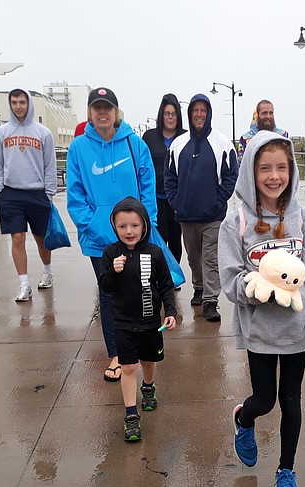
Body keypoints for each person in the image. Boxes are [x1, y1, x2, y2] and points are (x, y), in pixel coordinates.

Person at [219, 130, 305, 487]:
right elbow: (229, 280)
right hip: (259, 331)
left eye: (282, 167)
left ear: (291, 170)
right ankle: (244, 417)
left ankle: (286, 472)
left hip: (296, 330)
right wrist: (256, 285)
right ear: (251, 172)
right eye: (265, 168)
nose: (274, 176)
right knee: (265, 400)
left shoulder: (304, 218)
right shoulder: (236, 222)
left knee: (292, 402)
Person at [66, 87, 157, 384]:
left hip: (136, 234)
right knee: (110, 294)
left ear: (116, 112)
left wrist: (148, 226)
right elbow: (75, 195)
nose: (102, 113)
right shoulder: (79, 148)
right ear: (90, 113)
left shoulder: (135, 144)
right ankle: (117, 354)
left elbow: (148, 188)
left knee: (142, 288)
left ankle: (143, 350)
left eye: (107, 107)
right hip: (100, 239)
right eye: (96, 108)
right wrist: (92, 225)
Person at [99, 197, 177, 442]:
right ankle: (131, 415)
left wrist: (171, 311)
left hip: (150, 321)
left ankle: (149, 387)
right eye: (122, 226)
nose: (128, 231)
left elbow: (166, 285)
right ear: (114, 227)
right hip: (122, 321)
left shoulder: (154, 252)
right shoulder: (111, 253)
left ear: (144, 226)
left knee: (148, 362)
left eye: (134, 225)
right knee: (128, 367)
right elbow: (106, 287)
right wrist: (114, 270)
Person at [166, 93, 238, 322]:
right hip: (186, 215)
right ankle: (198, 287)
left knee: (210, 258)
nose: (199, 115)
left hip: (213, 216)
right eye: (195, 111)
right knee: (194, 258)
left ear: (208, 114)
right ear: (190, 115)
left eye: (203, 111)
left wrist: (219, 201)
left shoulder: (222, 143)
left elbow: (230, 176)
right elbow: (169, 178)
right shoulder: (178, 144)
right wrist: (176, 202)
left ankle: (210, 301)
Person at [0, 88, 57, 302]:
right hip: (11, 193)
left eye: (22, 102)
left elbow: (50, 164)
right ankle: (23, 283)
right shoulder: (1, 133)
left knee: (40, 238)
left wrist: (49, 191)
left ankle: (47, 271)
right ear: (10, 105)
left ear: (29, 104)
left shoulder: (43, 133)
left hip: (37, 192)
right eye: (14, 102)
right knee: (17, 237)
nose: (18, 106)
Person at [142, 93, 186, 266]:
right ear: (161, 115)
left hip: (177, 200)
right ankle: (159, 275)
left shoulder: (185, 137)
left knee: (175, 240)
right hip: (155, 199)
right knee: (158, 239)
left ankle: (173, 276)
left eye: (174, 114)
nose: (170, 117)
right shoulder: (149, 137)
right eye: (167, 113)